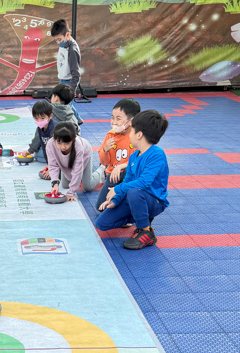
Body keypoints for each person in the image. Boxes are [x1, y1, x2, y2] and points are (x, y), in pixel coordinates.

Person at [96, 110, 169, 250]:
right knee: (101, 223)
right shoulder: (134, 156)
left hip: (154, 201)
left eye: (132, 131)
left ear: (139, 135)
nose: (129, 134)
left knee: (134, 192)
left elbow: (144, 182)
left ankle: (145, 231)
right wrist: (115, 200)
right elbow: (127, 181)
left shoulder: (157, 154)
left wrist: (117, 189)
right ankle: (140, 216)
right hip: (135, 198)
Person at [96, 98, 141, 209]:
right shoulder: (110, 135)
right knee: (100, 208)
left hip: (129, 176)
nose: (114, 122)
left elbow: (139, 161)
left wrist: (121, 166)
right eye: (112, 118)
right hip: (112, 176)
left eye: (118, 119)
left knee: (125, 203)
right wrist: (105, 150)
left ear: (131, 121)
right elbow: (104, 162)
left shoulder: (136, 136)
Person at [46, 123, 103, 202]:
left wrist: (71, 193)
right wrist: (55, 183)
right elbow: (53, 166)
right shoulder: (50, 144)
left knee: (88, 186)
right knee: (65, 185)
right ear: (54, 138)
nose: (63, 147)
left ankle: (102, 169)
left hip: (85, 155)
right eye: (59, 143)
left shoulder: (78, 147)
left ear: (73, 140)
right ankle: (84, 174)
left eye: (66, 143)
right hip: (67, 161)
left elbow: (77, 171)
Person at [50, 19, 81, 97]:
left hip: (69, 83)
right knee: (61, 103)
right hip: (63, 80)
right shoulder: (64, 43)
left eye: (59, 39)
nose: (58, 42)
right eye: (56, 40)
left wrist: (72, 90)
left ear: (67, 35)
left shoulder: (72, 49)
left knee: (64, 104)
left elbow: (76, 72)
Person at [26, 100, 55, 178]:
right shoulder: (40, 128)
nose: (39, 121)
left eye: (42, 118)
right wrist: (30, 151)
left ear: (50, 116)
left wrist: (52, 167)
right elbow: (39, 143)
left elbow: (58, 152)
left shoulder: (54, 129)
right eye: (36, 118)